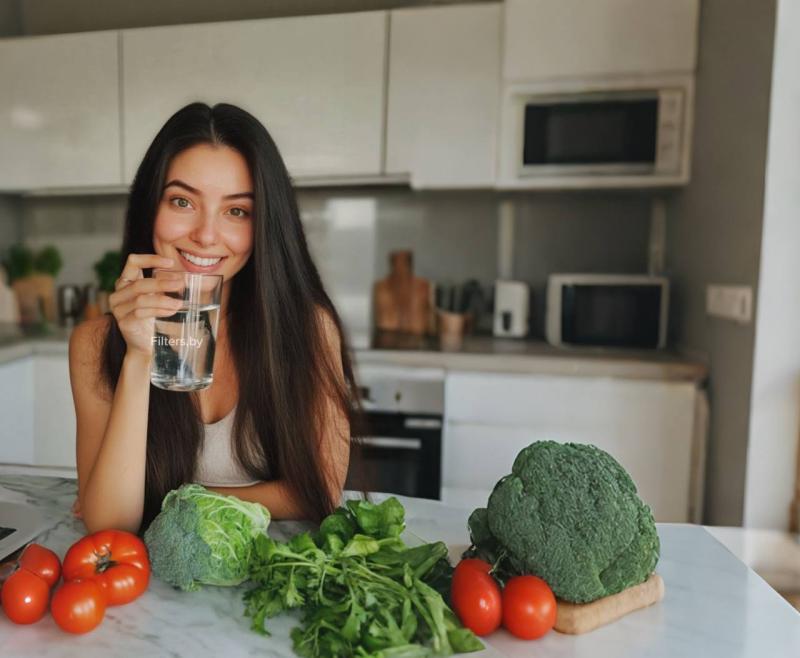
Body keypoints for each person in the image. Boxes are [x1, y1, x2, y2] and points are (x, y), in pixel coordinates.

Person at [68, 102, 360, 536]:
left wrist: (168, 500)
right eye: (182, 201)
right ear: (151, 206)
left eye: (236, 210)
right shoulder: (94, 343)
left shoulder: (308, 330)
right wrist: (137, 357)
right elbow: (109, 523)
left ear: (263, 225)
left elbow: (319, 489)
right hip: (149, 594)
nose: (206, 235)